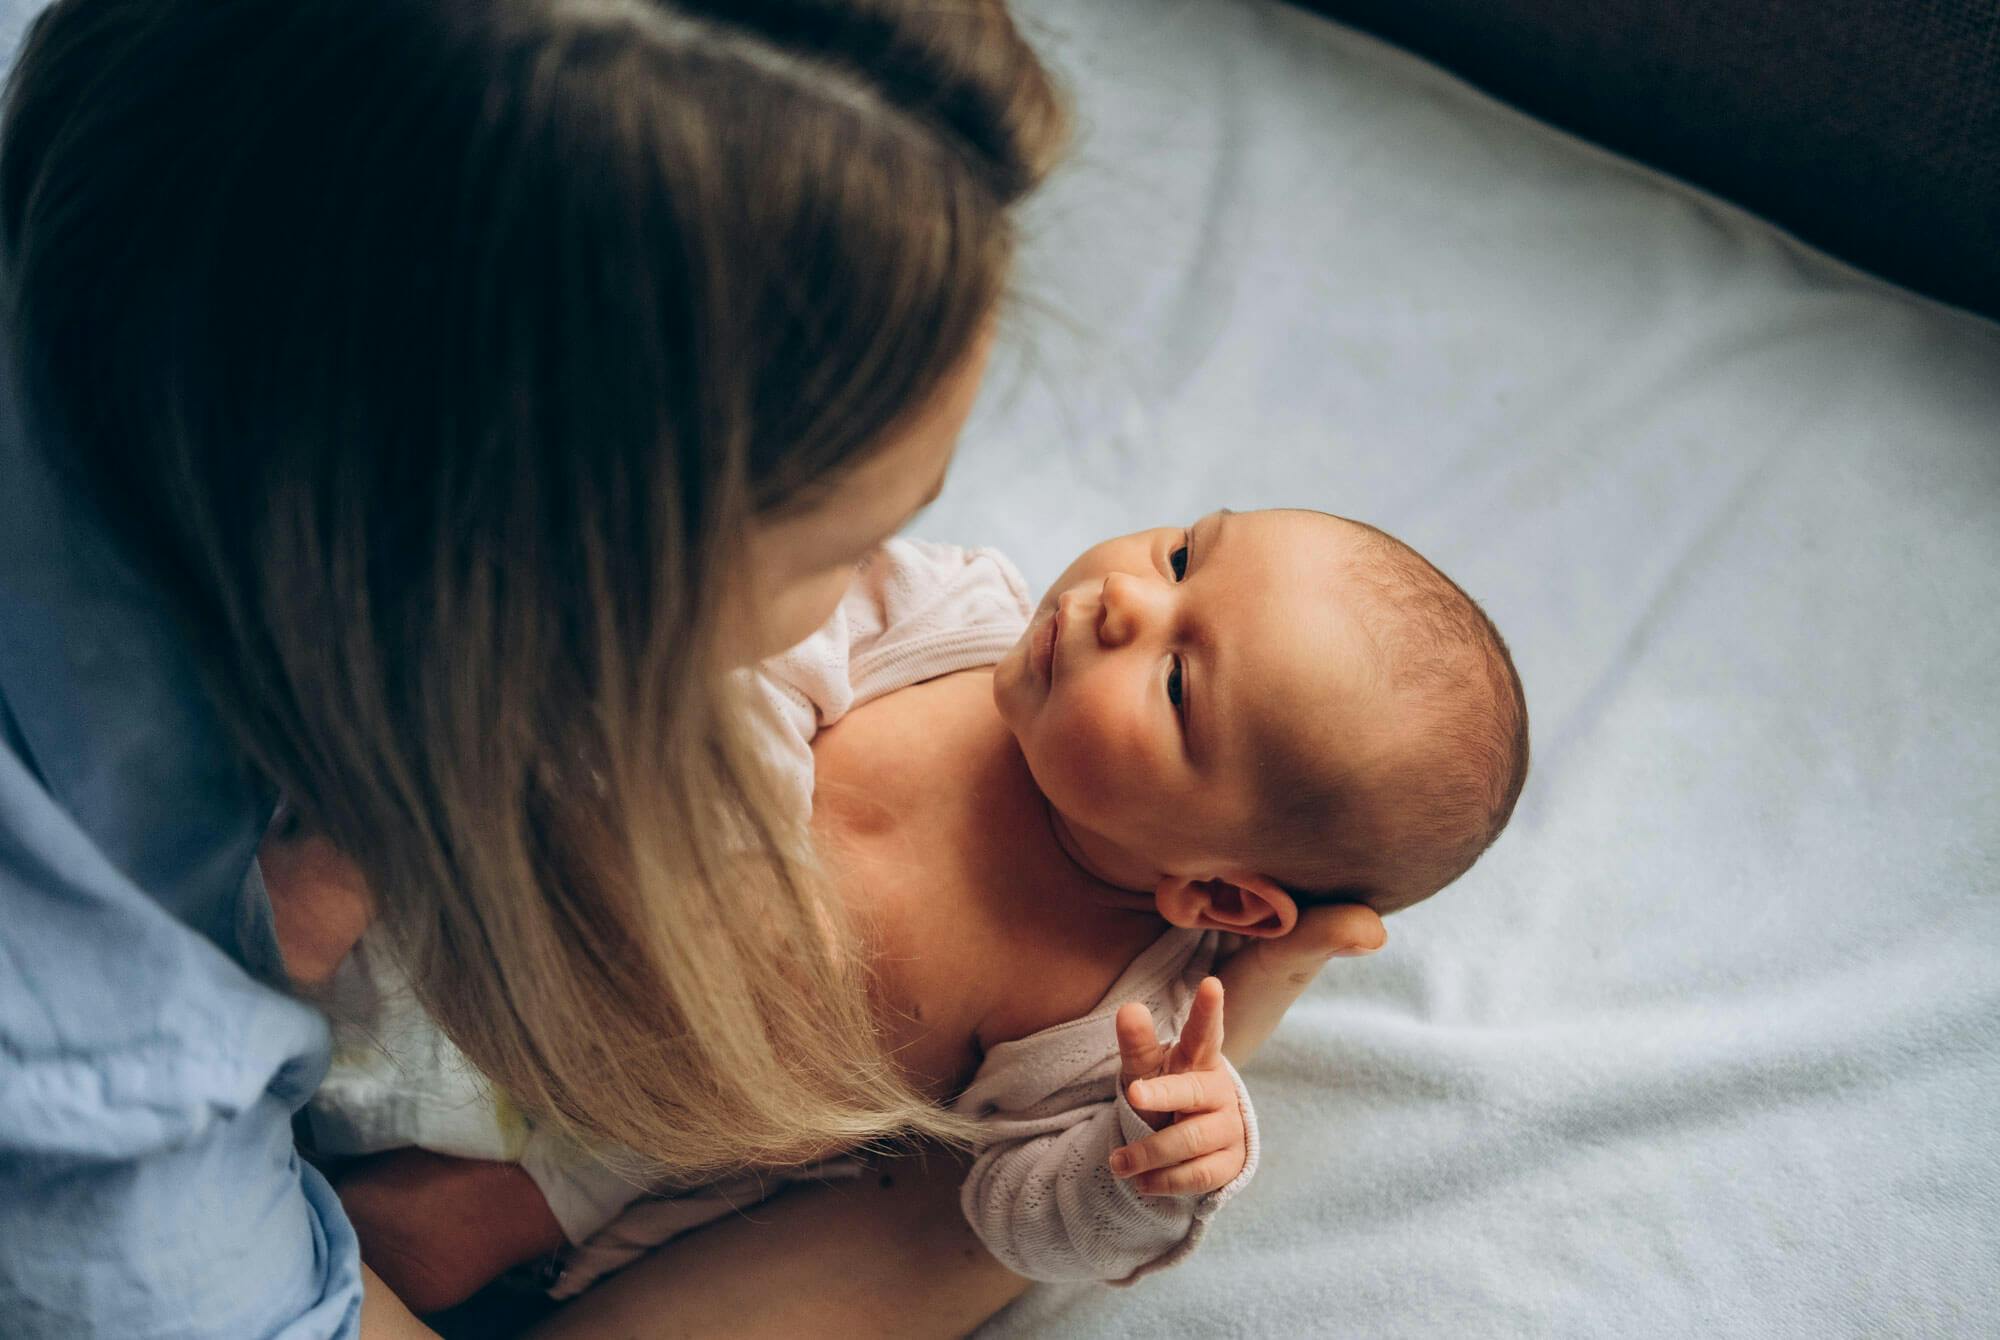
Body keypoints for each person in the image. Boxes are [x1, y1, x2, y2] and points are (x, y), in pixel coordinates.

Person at [0, 1, 1069, 1334]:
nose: (883, 586)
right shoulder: (103, 1100)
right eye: (847, 546)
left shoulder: (158, 128)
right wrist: (975, 1191)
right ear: (519, 603)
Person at [275, 508, 1529, 1313]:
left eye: (1174, 677)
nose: (1120, 598)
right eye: (1183, 554)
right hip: (541, 888)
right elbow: (747, 649)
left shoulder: (1120, 1011)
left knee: (429, 1252)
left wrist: (1136, 1174)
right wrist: (738, 835)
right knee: (354, 850)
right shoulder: (955, 619)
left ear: (1215, 892)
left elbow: (1002, 1213)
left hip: (594, 1131)